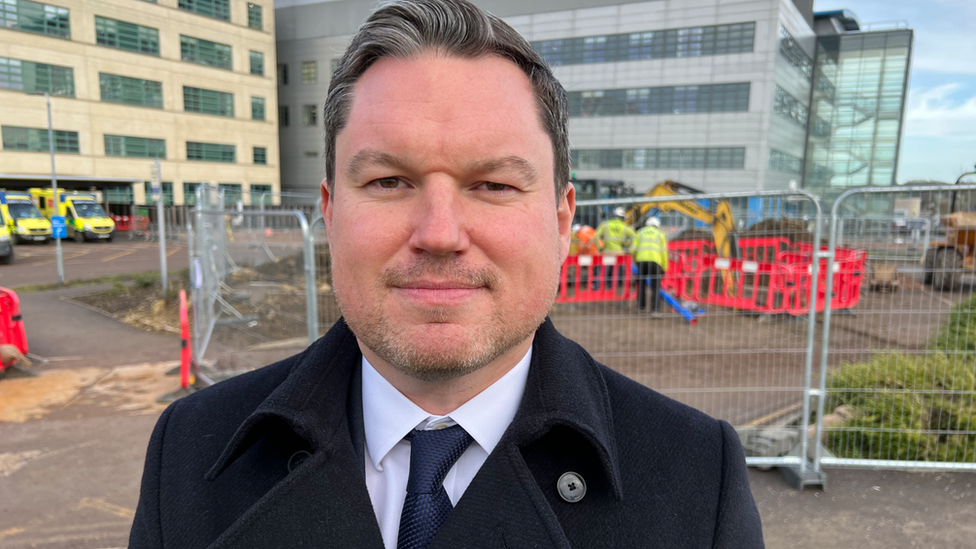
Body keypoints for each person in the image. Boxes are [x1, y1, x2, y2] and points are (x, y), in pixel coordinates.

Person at [129, 1, 764, 548]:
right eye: (388, 182)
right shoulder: (187, 453)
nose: (438, 233)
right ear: (329, 212)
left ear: (563, 219)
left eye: (492, 184)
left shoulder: (695, 477)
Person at [594, 207, 636, 292]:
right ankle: (612, 288)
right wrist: (626, 245)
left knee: (603, 270)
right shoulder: (625, 227)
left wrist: (600, 248)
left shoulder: (605, 225)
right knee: (615, 272)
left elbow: (596, 236)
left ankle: (599, 287)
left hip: (607, 251)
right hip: (619, 253)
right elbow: (634, 237)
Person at [632, 216, 669, 313]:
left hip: (641, 261)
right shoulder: (660, 235)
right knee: (656, 287)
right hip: (655, 262)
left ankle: (641, 308)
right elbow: (664, 253)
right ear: (657, 225)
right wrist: (664, 267)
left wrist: (636, 259)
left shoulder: (639, 233)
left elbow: (633, 249)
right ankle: (655, 310)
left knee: (641, 285)